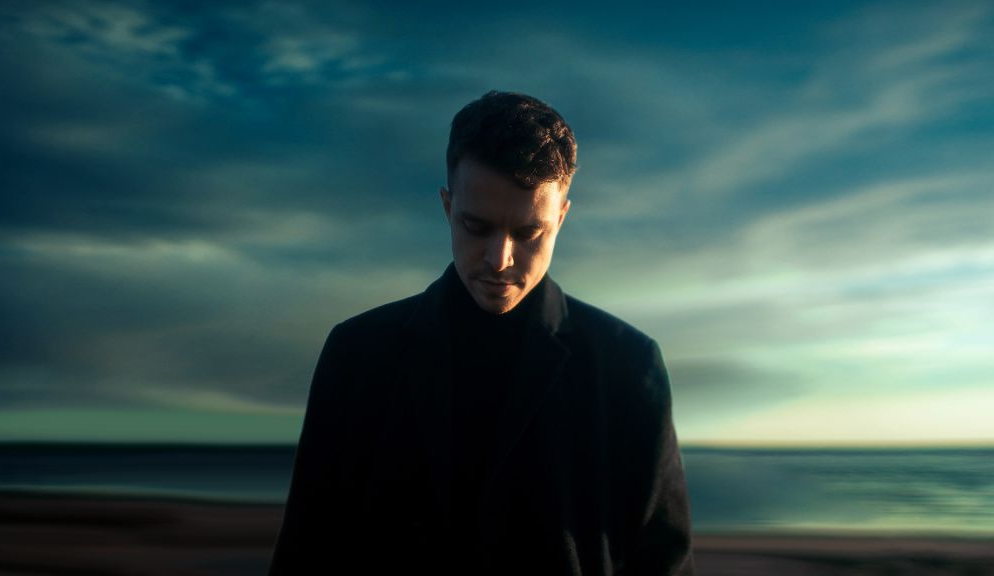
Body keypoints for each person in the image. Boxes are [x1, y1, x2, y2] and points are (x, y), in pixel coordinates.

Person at [268, 91, 694, 575]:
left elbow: (663, 561)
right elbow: (306, 546)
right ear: (447, 207)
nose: (499, 258)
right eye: (476, 226)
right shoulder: (357, 354)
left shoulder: (627, 365)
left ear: (561, 218)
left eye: (529, 233)